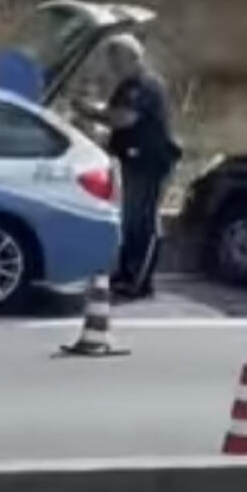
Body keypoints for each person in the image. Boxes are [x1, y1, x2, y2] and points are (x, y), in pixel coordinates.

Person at [85, 35, 181, 301]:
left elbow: (123, 118)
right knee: (130, 221)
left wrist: (90, 113)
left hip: (150, 162)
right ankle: (126, 274)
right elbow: (115, 112)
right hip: (133, 160)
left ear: (130, 58)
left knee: (143, 222)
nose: (112, 65)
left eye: (115, 59)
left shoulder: (145, 86)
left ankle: (140, 281)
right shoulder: (128, 85)